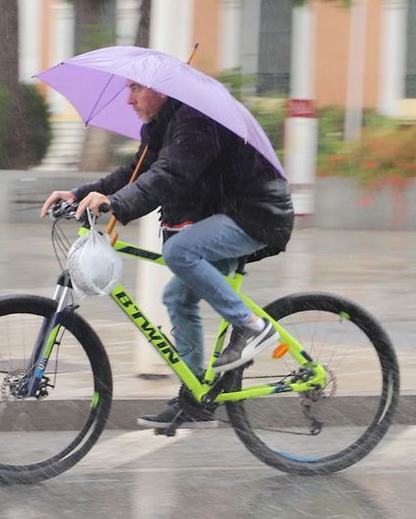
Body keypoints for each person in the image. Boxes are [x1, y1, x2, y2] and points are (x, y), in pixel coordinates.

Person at [40, 80, 294, 428]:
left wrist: (116, 204)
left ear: (161, 89)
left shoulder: (196, 121)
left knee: (179, 251)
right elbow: (137, 172)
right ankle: (196, 400)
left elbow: (171, 174)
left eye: (135, 88)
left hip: (256, 215)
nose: (128, 99)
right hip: (226, 214)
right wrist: (79, 193)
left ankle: (252, 327)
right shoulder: (163, 127)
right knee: (177, 298)